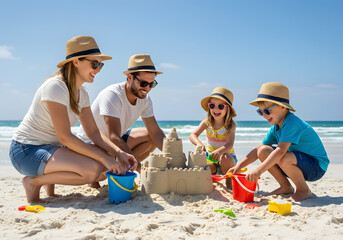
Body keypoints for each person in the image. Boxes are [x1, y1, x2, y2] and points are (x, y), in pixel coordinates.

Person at [9, 36, 138, 203]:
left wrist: (119, 153)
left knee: (104, 167)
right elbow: (64, 137)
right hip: (26, 151)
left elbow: (93, 132)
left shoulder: (81, 93)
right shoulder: (56, 87)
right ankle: (33, 182)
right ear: (76, 62)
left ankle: (47, 188)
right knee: (92, 171)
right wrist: (105, 159)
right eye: (95, 64)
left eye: (101, 65)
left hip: (49, 149)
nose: (98, 70)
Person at [229, 82, 330, 201]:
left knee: (283, 157)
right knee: (263, 151)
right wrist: (239, 166)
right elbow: (258, 150)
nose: (264, 116)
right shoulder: (276, 127)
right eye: (260, 112)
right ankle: (285, 187)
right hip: (298, 163)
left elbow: (281, 150)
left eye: (267, 111)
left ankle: (304, 190)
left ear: (283, 107)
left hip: (316, 166)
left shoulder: (292, 123)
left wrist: (258, 171)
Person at [77, 54, 166, 176]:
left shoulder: (144, 99)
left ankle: (120, 170)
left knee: (151, 136)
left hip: (113, 144)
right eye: (144, 83)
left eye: (152, 84)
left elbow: (155, 132)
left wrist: (172, 154)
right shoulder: (113, 95)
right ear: (130, 77)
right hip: (91, 144)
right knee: (109, 162)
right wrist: (141, 169)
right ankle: (107, 174)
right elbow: (114, 137)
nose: (148, 88)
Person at [189, 87, 238, 188]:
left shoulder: (230, 125)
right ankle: (213, 180)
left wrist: (220, 151)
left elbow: (229, 145)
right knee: (204, 166)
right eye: (212, 105)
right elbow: (192, 135)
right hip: (211, 158)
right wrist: (199, 144)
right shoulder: (207, 122)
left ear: (227, 108)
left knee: (226, 159)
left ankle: (229, 182)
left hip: (227, 160)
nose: (215, 109)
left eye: (220, 106)